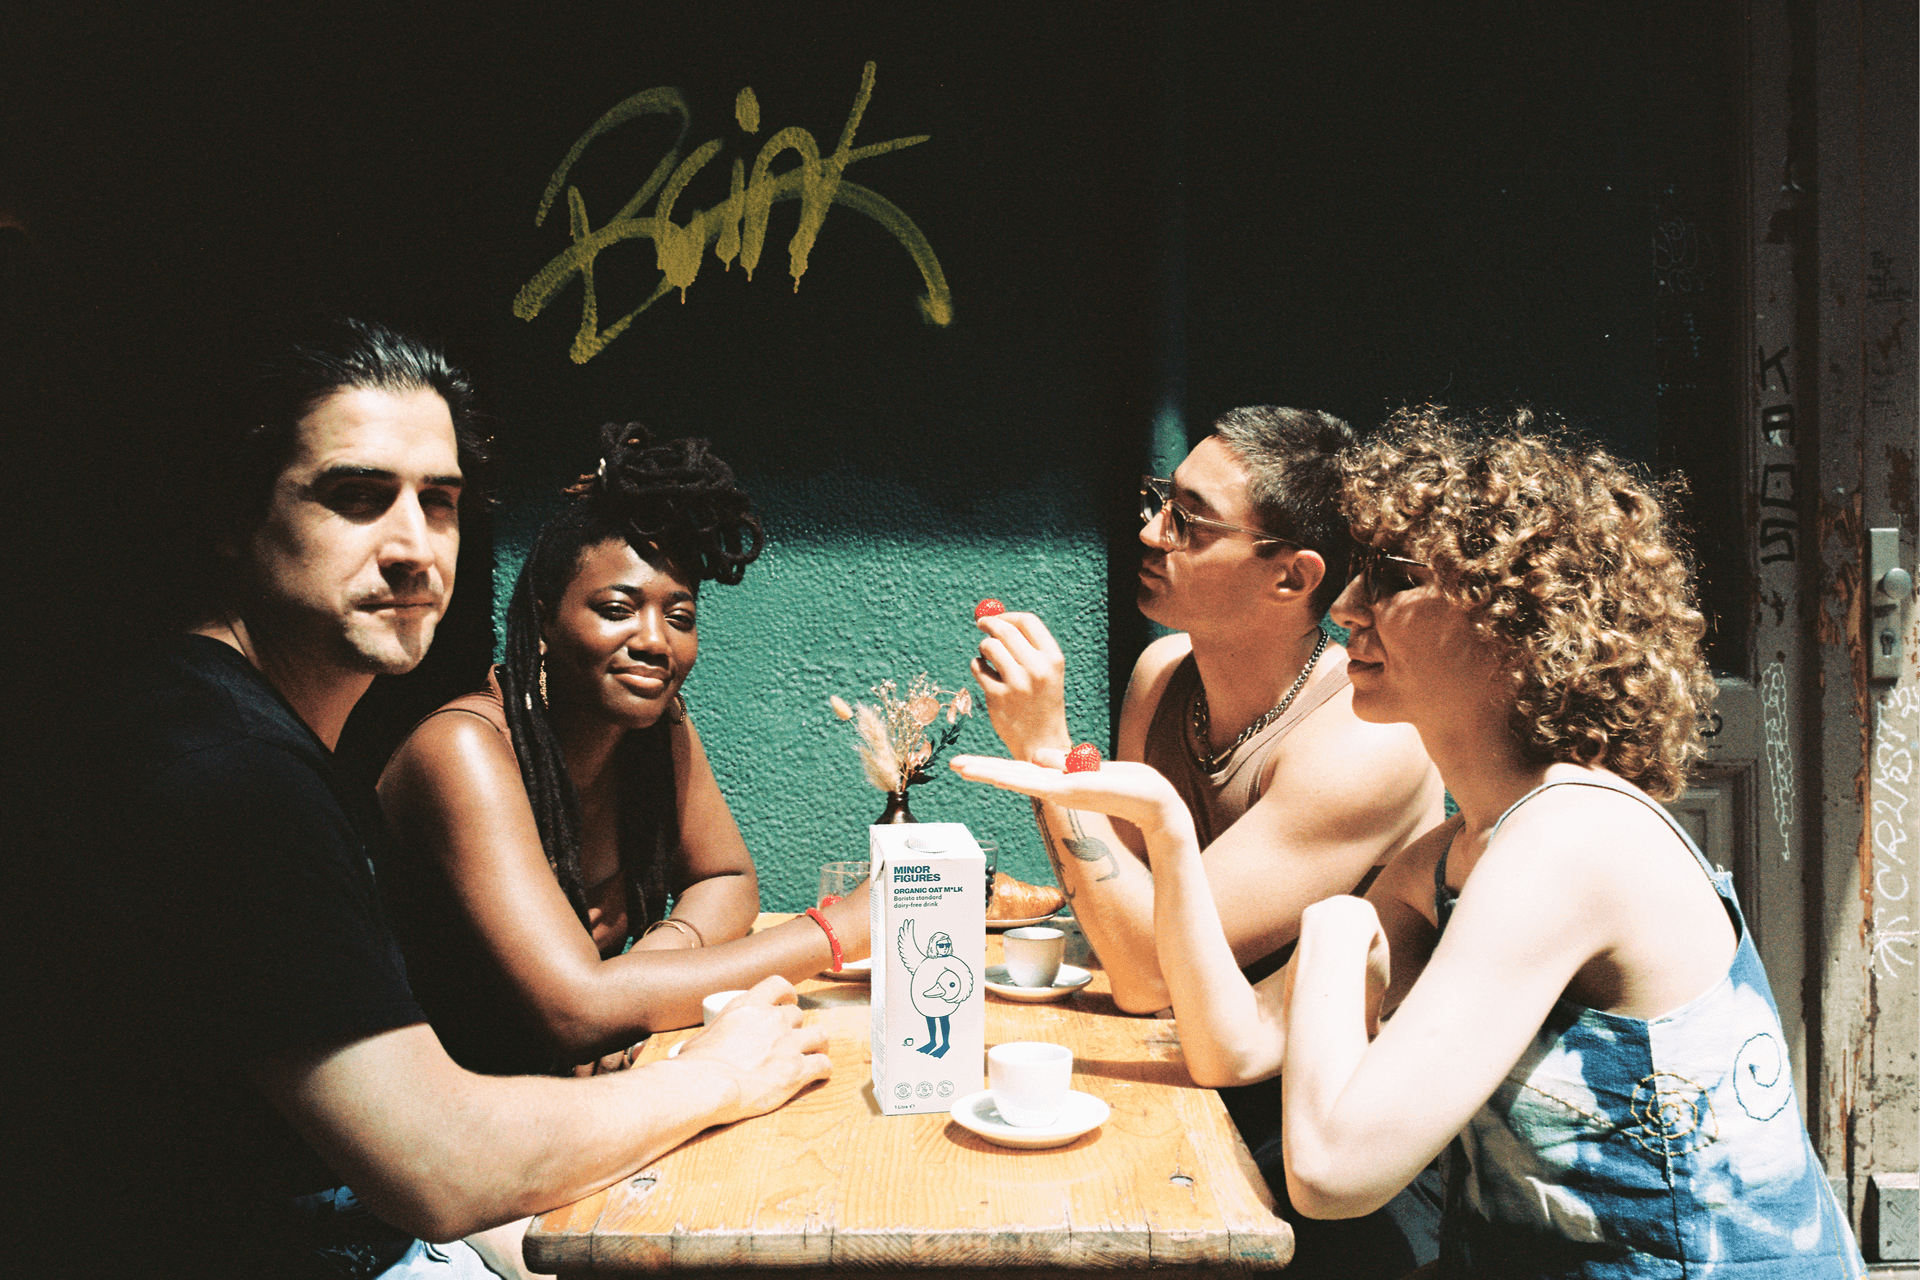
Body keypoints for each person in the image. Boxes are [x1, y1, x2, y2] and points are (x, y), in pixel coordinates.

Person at [955, 407, 1867, 1278]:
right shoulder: (1446, 858)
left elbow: (1331, 1175)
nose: (1348, 605)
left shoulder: (1572, 841)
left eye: (1391, 576)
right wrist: (1165, 830)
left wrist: (1336, 933)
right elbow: (1229, 1048)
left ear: (1516, 619)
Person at [10, 318, 829, 1280]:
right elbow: (438, 1163)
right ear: (235, 517)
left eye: (437, 505)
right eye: (356, 498)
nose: (412, 548)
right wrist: (721, 1076)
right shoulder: (224, 772)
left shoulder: (248, 731)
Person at [970, 405, 1446, 1276]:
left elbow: (1147, 969)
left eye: (1188, 519)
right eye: (1159, 499)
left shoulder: (1365, 738)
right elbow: (1114, 910)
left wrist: (1045, 756)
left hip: (1320, 1150)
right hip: (1188, 1080)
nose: (1150, 531)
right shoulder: (1162, 677)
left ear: (1293, 578)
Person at [377, 422, 871, 1078]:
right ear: (546, 619)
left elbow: (725, 881)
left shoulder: (654, 726)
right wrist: (835, 932)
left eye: (680, 616)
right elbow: (573, 1011)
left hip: (578, 1094)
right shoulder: (463, 751)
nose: (654, 641)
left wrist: (635, 984)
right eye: (617, 608)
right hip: (453, 1128)